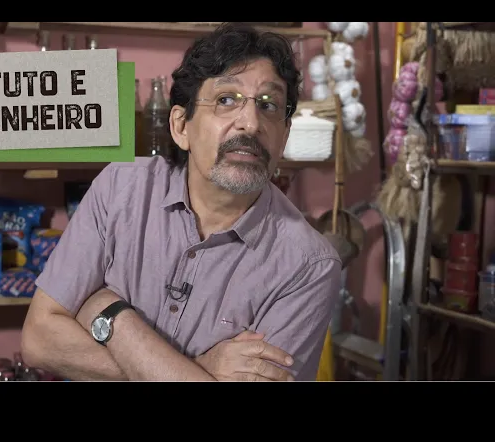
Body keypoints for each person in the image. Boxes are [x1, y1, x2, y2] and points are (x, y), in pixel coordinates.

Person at [21, 22, 342, 382]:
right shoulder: (121, 188)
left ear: (284, 137)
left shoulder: (308, 265)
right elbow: (38, 340)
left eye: (269, 105)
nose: (251, 123)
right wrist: (200, 370)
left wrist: (110, 315)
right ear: (180, 126)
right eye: (226, 100)